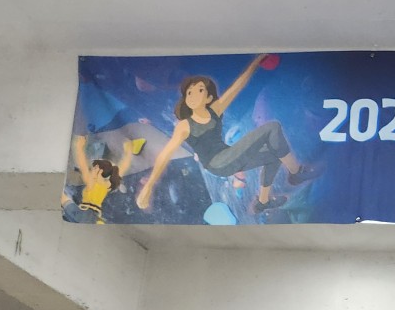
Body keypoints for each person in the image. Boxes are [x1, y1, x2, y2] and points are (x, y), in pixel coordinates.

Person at [136, 55, 319, 217]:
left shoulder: (214, 110)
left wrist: (256, 62)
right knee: (272, 128)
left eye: (199, 91)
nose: (193, 95)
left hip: (227, 157)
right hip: (219, 162)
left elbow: (237, 86)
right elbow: (165, 155)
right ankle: (295, 173)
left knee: (273, 156)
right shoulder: (184, 126)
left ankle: (263, 201)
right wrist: (149, 186)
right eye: (190, 93)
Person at [63, 135, 139, 224]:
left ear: (99, 172)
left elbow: (83, 164)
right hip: (93, 216)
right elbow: (122, 168)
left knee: (63, 199)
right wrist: (128, 152)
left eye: (94, 169)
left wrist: (79, 147)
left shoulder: (92, 182)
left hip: (86, 214)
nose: (91, 170)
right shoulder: (107, 185)